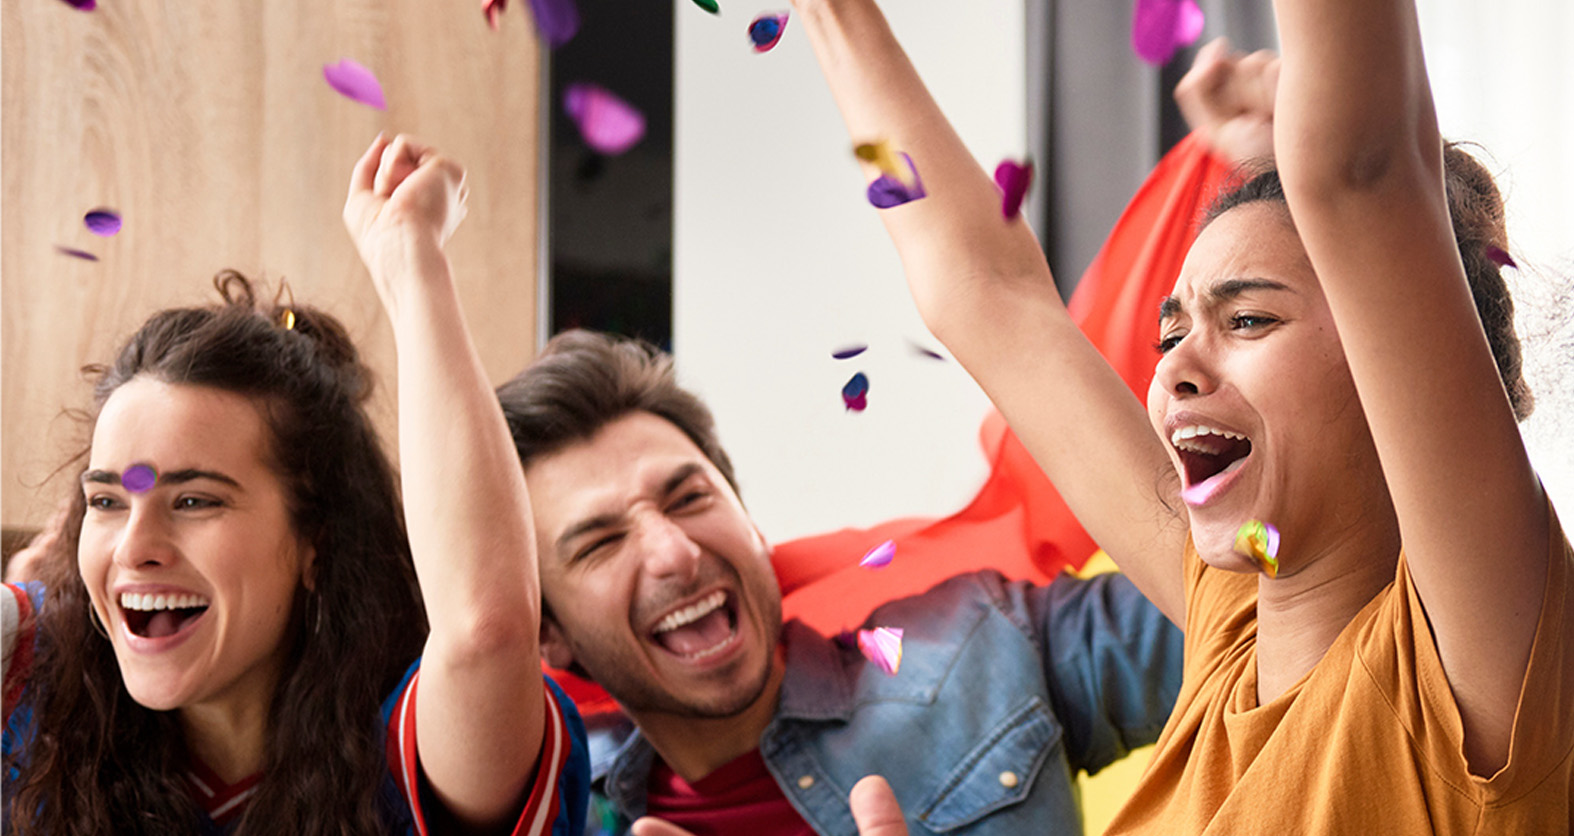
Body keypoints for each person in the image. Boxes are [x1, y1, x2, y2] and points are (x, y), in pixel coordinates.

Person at [796, 0, 1573, 830]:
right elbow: (989, 294)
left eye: (1247, 321)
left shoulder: (1467, 670)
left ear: (1393, 364)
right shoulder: (1227, 631)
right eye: (1171, 332)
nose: (1174, 368)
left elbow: (1363, 172)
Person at [2, 133, 592, 835]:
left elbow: (484, 629)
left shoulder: (406, 746)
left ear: (317, 540)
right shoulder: (32, 677)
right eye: (107, 501)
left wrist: (411, 260)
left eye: (194, 501)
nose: (135, 546)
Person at [490, 323, 1182, 836]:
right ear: (548, 633)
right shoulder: (551, 809)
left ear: (751, 525)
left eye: (689, 498)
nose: (674, 553)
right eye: (601, 542)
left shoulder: (981, 644)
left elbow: (1253, 611)